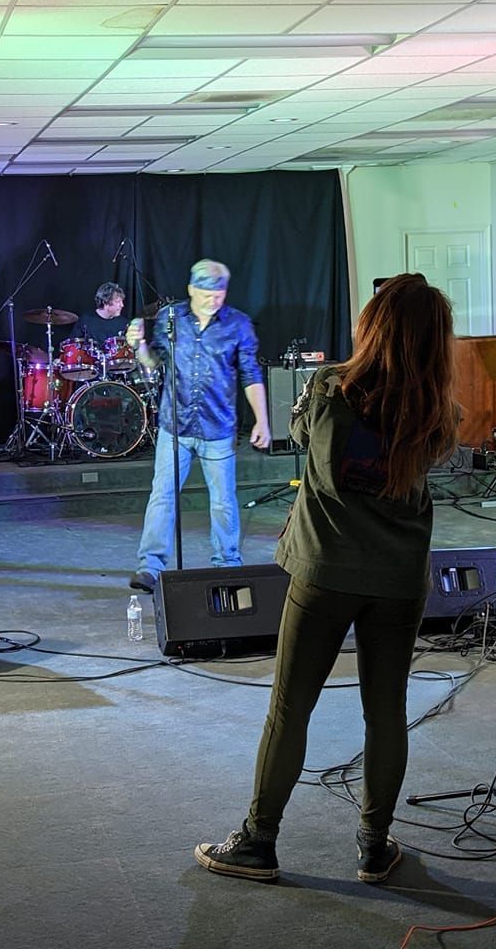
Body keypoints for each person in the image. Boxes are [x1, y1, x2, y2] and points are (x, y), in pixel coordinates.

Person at [193, 273, 459, 885]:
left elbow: (308, 449)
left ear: (374, 327)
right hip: (398, 578)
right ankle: (373, 846)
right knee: (386, 711)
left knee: (290, 708)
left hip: (324, 569)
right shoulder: (438, 409)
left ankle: (259, 842)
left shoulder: (328, 387)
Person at [125, 260, 270, 592]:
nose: (212, 300)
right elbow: (153, 363)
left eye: (218, 294)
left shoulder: (239, 325)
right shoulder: (170, 318)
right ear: (191, 289)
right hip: (175, 425)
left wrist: (262, 420)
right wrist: (140, 346)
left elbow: (250, 375)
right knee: (162, 496)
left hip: (218, 427)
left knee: (222, 500)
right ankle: (150, 566)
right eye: (206, 293)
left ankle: (228, 564)